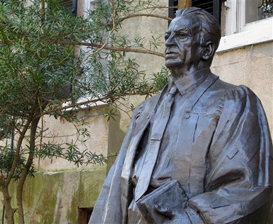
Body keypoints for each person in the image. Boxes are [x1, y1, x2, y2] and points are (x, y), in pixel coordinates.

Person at [89, 7, 273, 224]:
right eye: (167, 36)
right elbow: (114, 187)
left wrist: (188, 219)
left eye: (181, 35)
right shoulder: (146, 110)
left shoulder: (234, 101)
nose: (168, 42)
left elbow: (247, 187)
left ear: (206, 49)